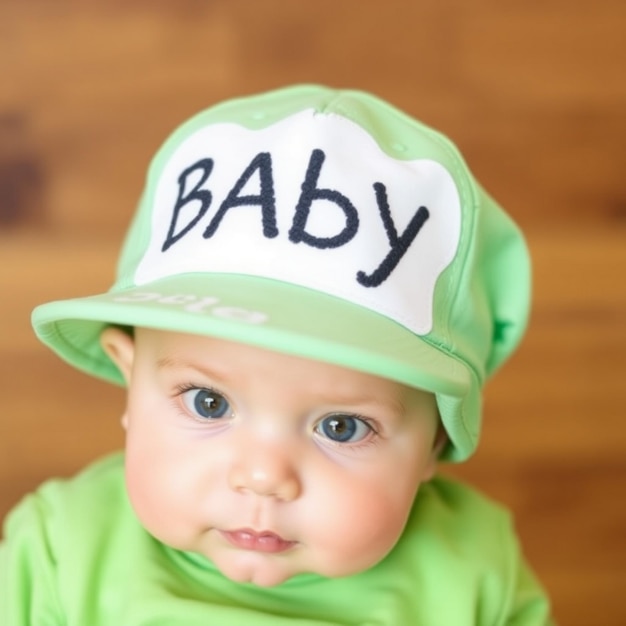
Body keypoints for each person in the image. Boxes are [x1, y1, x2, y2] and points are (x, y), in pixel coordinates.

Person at [0, 85, 555, 624]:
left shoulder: (472, 578)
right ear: (131, 381)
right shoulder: (60, 554)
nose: (264, 476)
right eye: (209, 403)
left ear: (436, 437)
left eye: (341, 427)